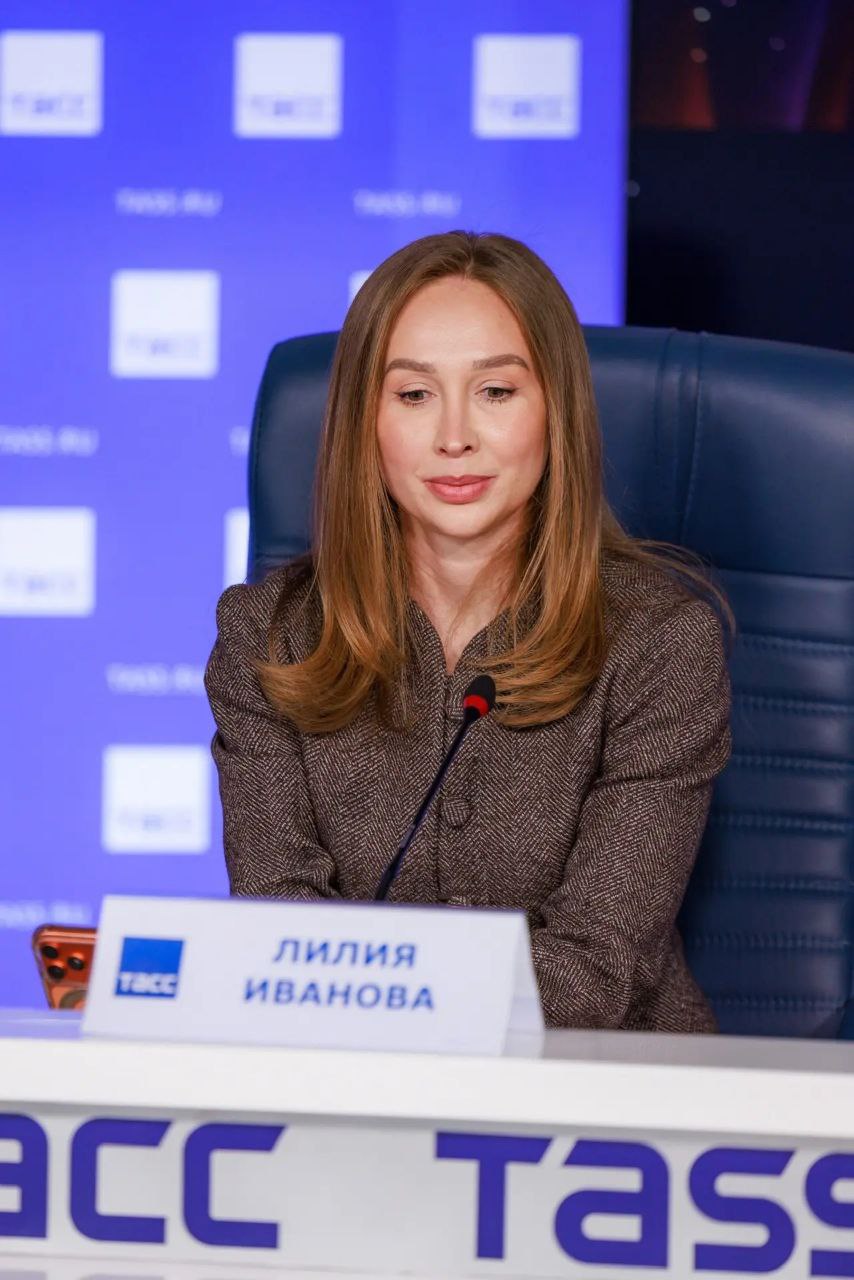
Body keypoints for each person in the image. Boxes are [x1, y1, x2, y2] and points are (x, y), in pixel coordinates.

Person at [204, 230, 734, 1033]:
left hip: (606, 1082)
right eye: (414, 395)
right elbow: (281, 929)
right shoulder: (267, 638)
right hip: (351, 1081)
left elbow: (596, 966)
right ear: (365, 422)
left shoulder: (662, 644)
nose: (455, 436)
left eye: (495, 391)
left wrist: (386, 1011)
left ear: (555, 411)